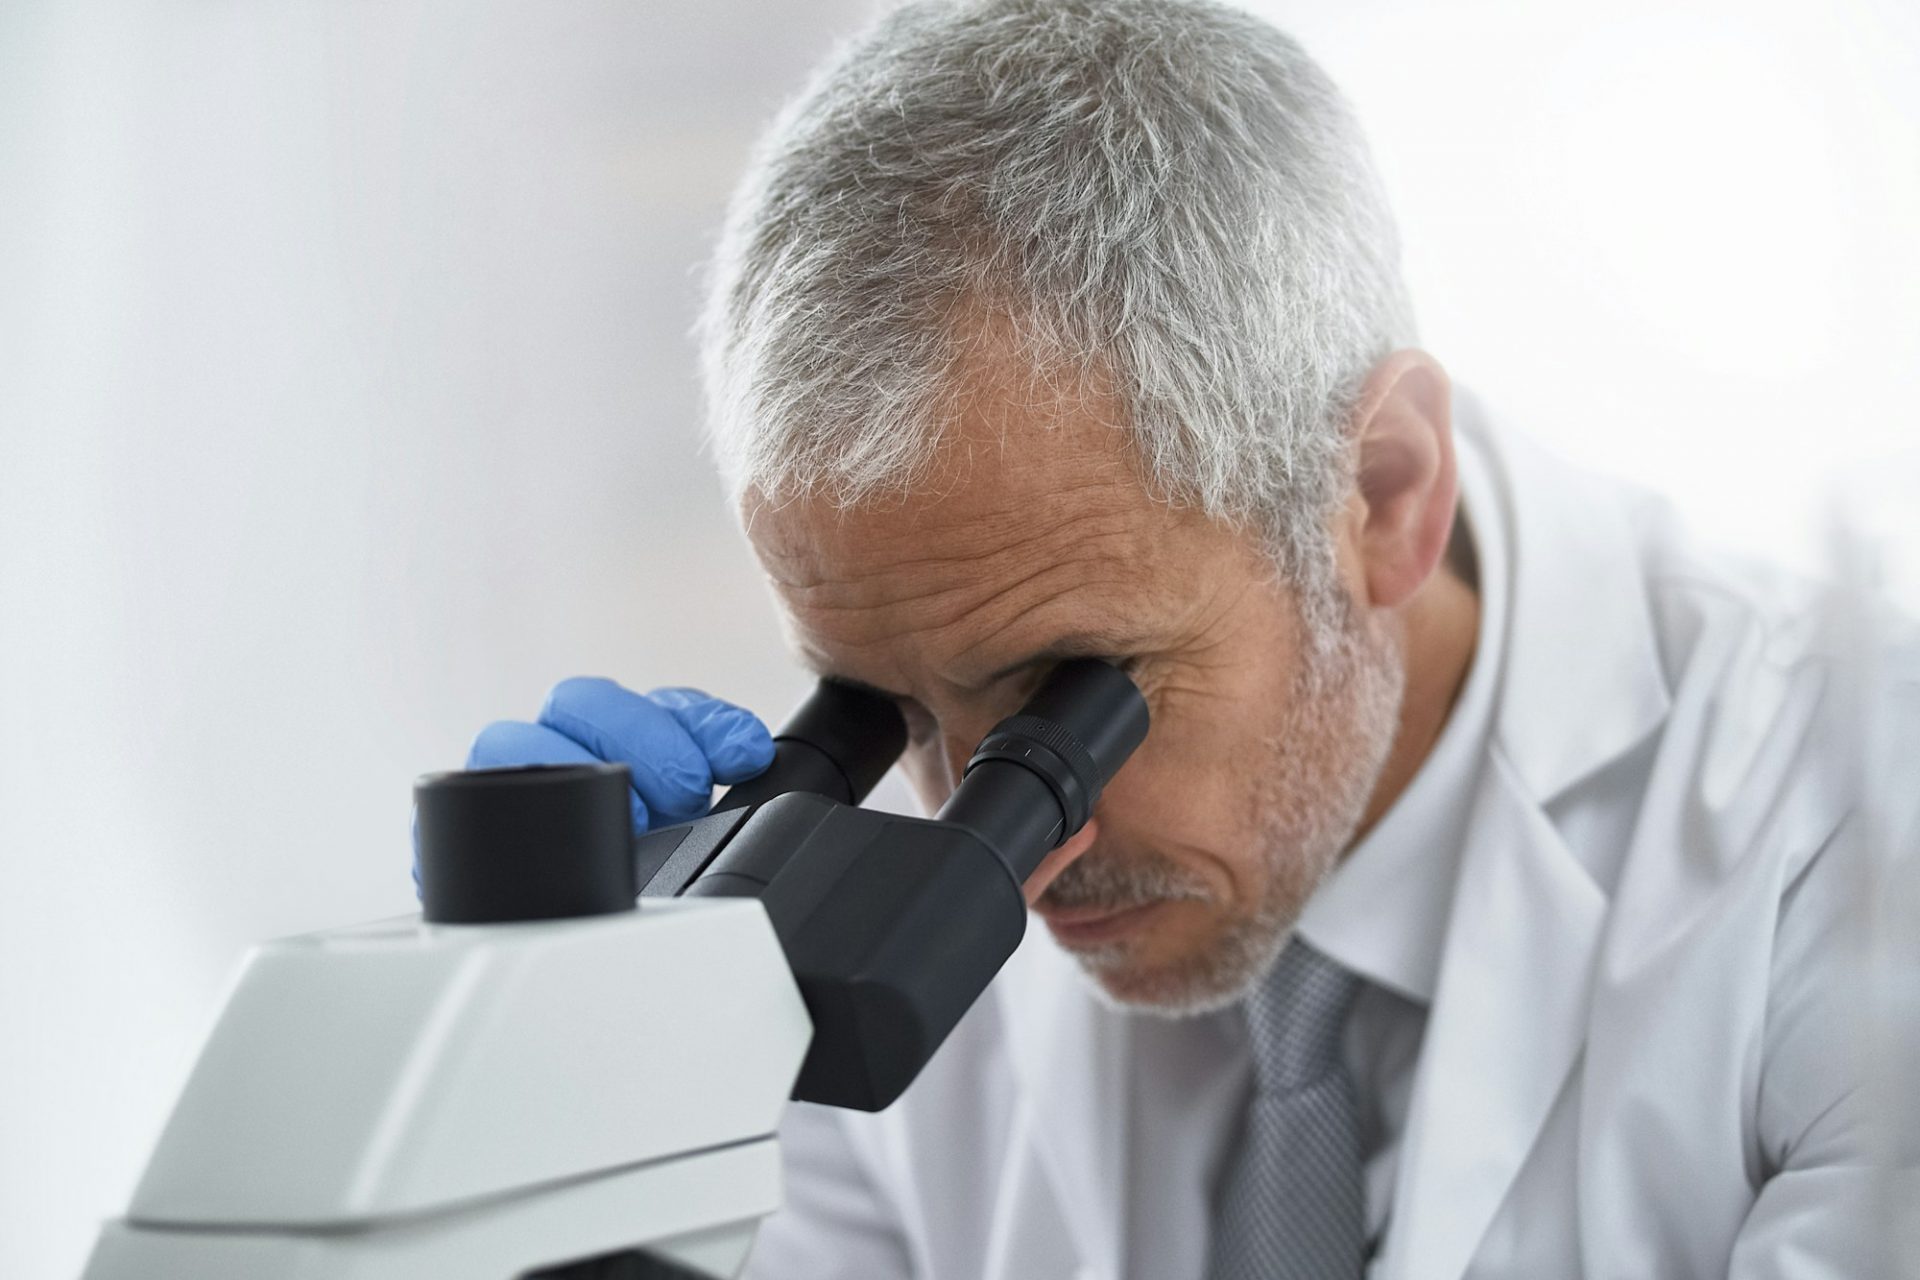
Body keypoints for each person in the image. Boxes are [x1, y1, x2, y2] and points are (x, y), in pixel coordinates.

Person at [436, 1, 1917, 1275]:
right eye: (879, 713)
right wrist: (571, 1111)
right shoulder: (867, 970)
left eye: (1054, 711)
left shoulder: (1857, 841)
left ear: (1384, 493)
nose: (994, 843)